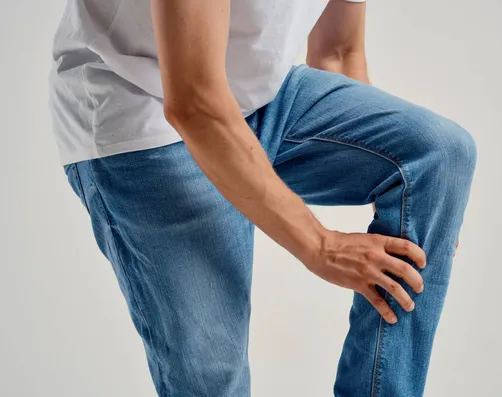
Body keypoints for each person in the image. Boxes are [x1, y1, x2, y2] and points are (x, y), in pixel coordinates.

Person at [49, 0, 477, 396]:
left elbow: (338, 51)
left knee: (438, 154)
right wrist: (321, 245)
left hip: (260, 98)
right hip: (142, 110)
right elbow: (194, 102)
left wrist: (411, 202)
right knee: (215, 378)